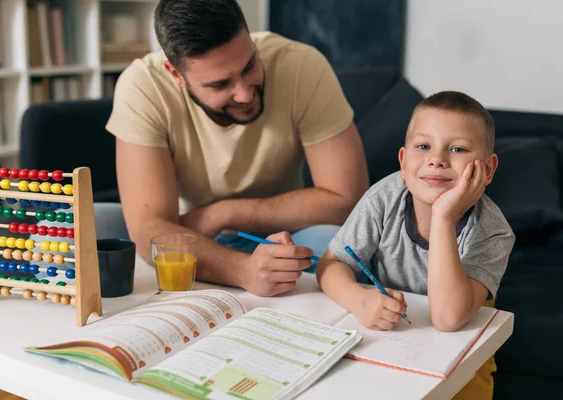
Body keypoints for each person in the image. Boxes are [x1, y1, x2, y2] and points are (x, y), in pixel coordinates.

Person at [104, 0, 369, 297]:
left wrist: (224, 213)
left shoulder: (302, 66)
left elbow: (348, 200)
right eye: (219, 85)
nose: (244, 93)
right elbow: (150, 229)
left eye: (249, 66)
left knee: (342, 248)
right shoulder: (143, 86)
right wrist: (243, 271)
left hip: (290, 230)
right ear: (175, 75)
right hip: (194, 236)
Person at [315, 91, 515, 400]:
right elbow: (330, 265)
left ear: (487, 170)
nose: (437, 159)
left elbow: (449, 319)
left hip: (463, 363)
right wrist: (357, 298)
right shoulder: (384, 197)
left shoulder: (493, 232)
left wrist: (443, 215)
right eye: (423, 146)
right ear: (404, 161)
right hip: (395, 343)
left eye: (458, 148)